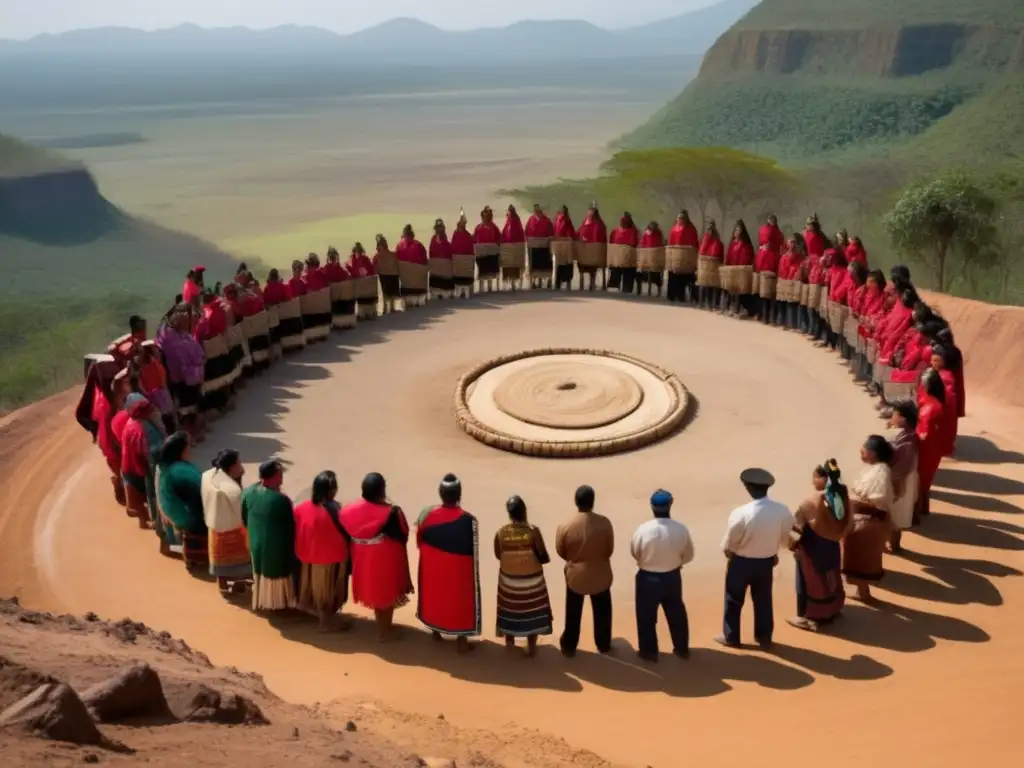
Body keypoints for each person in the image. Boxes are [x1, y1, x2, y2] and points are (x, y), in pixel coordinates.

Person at [717, 468, 793, 650]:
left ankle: (731, 637)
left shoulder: (741, 513)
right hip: (766, 562)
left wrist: (729, 552)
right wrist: (773, 552)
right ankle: (764, 637)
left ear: (748, 488)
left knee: (734, 599)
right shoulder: (782, 510)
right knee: (763, 600)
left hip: (741, 562)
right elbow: (786, 537)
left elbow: (730, 541)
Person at [339, 472, 414, 642]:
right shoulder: (391, 512)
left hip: (361, 557)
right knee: (385, 595)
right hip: (384, 559)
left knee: (375, 592)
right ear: (382, 490)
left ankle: (383, 626)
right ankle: (384, 632)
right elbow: (404, 534)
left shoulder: (348, 510)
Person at [416, 474, 481, 653]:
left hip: (434, 567)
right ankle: (462, 641)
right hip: (459, 570)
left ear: (440, 493)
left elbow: (419, 541)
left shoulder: (426, 515)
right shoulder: (469, 520)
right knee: (462, 598)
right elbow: (473, 552)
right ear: (459, 494)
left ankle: (436, 632)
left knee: (435, 594)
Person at [630, 490, 694, 662]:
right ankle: (682, 648)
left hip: (648, 578)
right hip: (672, 577)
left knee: (646, 617)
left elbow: (635, 552)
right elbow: (689, 554)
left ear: (652, 507)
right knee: (676, 613)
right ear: (670, 505)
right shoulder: (681, 529)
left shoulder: (643, 530)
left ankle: (649, 652)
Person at [787, 462, 850, 632]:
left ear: (822, 478)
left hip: (812, 548)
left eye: (814, 477)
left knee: (806, 581)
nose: (812, 481)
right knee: (831, 575)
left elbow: (796, 527)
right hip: (832, 545)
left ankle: (805, 616)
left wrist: (792, 546)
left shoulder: (812, 501)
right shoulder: (842, 493)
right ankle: (834, 610)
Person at [554, 485, 614, 657]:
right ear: (593, 502)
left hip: (576, 575)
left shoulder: (565, 525)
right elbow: (609, 549)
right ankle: (603, 644)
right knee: (603, 610)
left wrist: (574, 560)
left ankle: (569, 646)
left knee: (573, 612)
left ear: (576, 502)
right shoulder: (604, 522)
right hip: (600, 573)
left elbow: (561, 551)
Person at [494, 495, 552, 656]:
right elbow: (544, 557)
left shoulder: (501, 533)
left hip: (508, 582)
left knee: (509, 608)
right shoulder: (533, 531)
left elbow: (499, 555)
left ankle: (510, 642)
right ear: (524, 512)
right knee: (532, 610)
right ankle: (531, 646)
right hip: (532, 582)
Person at [294, 471, 352, 632]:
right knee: (328, 591)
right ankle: (325, 623)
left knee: (313, 588)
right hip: (331, 558)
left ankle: (318, 614)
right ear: (331, 491)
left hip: (306, 556)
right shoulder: (337, 510)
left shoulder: (301, 508)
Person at [843, 435, 895, 602]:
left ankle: (864, 594)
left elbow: (876, 500)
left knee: (861, 559)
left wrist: (848, 500)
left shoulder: (881, 473)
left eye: (864, 450)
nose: (861, 452)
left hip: (868, 522)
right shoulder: (874, 468)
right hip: (862, 519)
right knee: (858, 557)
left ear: (874, 453)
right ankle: (862, 592)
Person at [243, 459, 297, 612]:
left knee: (259, 573)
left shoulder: (249, 492)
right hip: (275, 548)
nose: (282, 478)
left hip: (256, 543)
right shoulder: (280, 500)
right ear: (274, 477)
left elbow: (244, 517)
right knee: (276, 578)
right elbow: (290, 526)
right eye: (280, 474)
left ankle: (262, 602)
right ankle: (277, 605)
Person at [156, 431, 208, 572]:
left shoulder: (163, 465)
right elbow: (203, 487)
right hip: (181, 515)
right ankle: (200, 556)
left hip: (166, 505)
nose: (189, 449)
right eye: (187, 447)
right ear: (181, 450)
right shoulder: (180, 470)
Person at [202, 449, 253, 593]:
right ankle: (239, 583)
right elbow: (243, 514)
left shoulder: (207, 475)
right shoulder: (232, 491)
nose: (241, 467)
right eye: (239, 463)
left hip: (213, 527)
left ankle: (222, 583)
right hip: (232, 531)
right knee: (240, 561)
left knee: (219, 560)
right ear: (231, 467)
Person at [158, 304, 207, 444]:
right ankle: (190, 434)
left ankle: (193, 431)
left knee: (191, 405)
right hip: (181, 378)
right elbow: (177, 360)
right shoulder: (171, 338)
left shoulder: (176, 334)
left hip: (187, 375)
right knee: (187, 407)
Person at [120, 393, 165, 535]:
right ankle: (158, 525)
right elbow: (151, 458)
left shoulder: (129, 423)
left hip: (129, 467)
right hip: (142, 469)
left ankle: (144, 519)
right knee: (153, 494)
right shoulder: (144, 430)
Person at [916, 369, 947, 520]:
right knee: (925, 482)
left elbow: (924, 434)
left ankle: (915, 514)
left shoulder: (931, 408)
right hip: (934, 449)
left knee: (919, 482)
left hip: (926, 449)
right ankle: (923, 509)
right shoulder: (936, 403)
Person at [889, 401, 920, 551]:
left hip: (902, 480)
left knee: (895, 518)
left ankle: (895, 547)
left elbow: (901, 467)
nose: (892, 416)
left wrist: (893, 482)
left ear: (903, 418)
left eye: (895, 413)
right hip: (905, 478)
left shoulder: (907, 439)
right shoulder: (907, 434)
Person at [930, 344, 960, 457]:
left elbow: (948, 396)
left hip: (944, 411)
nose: (934, 363)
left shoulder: (946, 376)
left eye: (937, 360)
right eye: (933, 360)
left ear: (943, 362)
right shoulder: (935, 373)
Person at [755, 216, 784, 324]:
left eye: (773, 220)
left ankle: (770, 316)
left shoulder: (778, 234)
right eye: (770, 220)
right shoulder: (764, 231)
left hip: (772, 263)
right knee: (762, 292)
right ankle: (763, 314)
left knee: (770, 292)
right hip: (764, 261)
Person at [666, 210, 699, 304]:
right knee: (672, 274)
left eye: (682, 218)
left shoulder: (691, 229)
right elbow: (670, 242)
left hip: (686, 259)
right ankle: (672, 295)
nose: (680, 219)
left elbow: (694, 243)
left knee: (685, 276)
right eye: (679, 218)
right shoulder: (673, 229)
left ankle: (682, 296)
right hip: (675, 257)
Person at [396, 224, 429, 308]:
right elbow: (425, 262)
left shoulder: (399, 246)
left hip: (406, 290)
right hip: (419, 290)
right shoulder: (419, 245)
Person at [576, 205, 608, 291]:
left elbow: (578, 234)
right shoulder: (600, 224)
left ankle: (586, 282)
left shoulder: (588, 224)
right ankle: (592, 282)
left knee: (585, 258)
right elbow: (603, 240)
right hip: (594, 255)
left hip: (588, 255)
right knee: (592, 258)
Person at [525, 203, 555, 289]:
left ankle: (544, 280)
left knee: (544, 262)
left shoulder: (547, 220)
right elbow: (527, 232)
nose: (537, 212)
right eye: (535, 210)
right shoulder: (531, 220)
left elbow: (551, 233)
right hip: (534, 246)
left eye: (538, 210)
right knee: (534, 263)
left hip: (544, 247)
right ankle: (534, 281)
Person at [608, 212, 639, 293]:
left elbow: (633, 243)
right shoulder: (616, 231)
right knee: (620, 268)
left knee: (626, 268)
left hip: (624, 257)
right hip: (622, 258)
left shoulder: (633, 231)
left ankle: (621, 287)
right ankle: (621, 286)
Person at [473, 206, 502, 293]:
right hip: (482, 255)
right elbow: (474, 240)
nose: (487, 218)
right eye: (485, 216)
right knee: (481, 258)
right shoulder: (478, 228)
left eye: (489, 216)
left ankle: (489, 285)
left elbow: (499, 240)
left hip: (492, 255)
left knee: (491, 258)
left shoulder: (494, 228)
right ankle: (483, 285)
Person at [697, 219, 724, 310]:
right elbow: (701, 250)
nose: (710, 229)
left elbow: (717, 251)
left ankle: (712, 304)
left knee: (712, 287)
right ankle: (702, 303)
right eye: (708, 227)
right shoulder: (705, 237)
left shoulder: (717, 240)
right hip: (704, 266)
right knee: (703, 286)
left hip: (713, 265)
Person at [501, 205, 526, 290]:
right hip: (511, 247)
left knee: (513, 266)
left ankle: (513, 283)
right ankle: (513, 283)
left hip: (513, 247)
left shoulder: (513, 220)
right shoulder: (512, 221)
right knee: (512, 266)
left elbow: (515, 233)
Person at [636, 220, 665, 297]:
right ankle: (642, 290)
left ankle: (657, 291)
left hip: (655, 260)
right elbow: (642, 243)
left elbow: (660, 244)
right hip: (647, 260)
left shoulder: (658, 234)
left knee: (656, 274)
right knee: (642, 273)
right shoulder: (646, 233)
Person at [450, 213, 476, 298]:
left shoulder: (455, 235)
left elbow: (452, 249)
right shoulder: (468, 236)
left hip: (457, 272)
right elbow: (472, 252)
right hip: (467, 272)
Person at [428, 218, 455, 300]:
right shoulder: (447, 244)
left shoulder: (433, 241)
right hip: (447, 277)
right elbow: (451, 255)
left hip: (435, 276)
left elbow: (431, 254)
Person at [552, 205, 577, 290]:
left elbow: (554, 231)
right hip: (566, 245)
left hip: (558, 244)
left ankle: (557, 283)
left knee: (559, 265)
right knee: (568, 264)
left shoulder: (557, 220)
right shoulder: (567, 220)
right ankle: (568, 284)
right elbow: (571, 233)